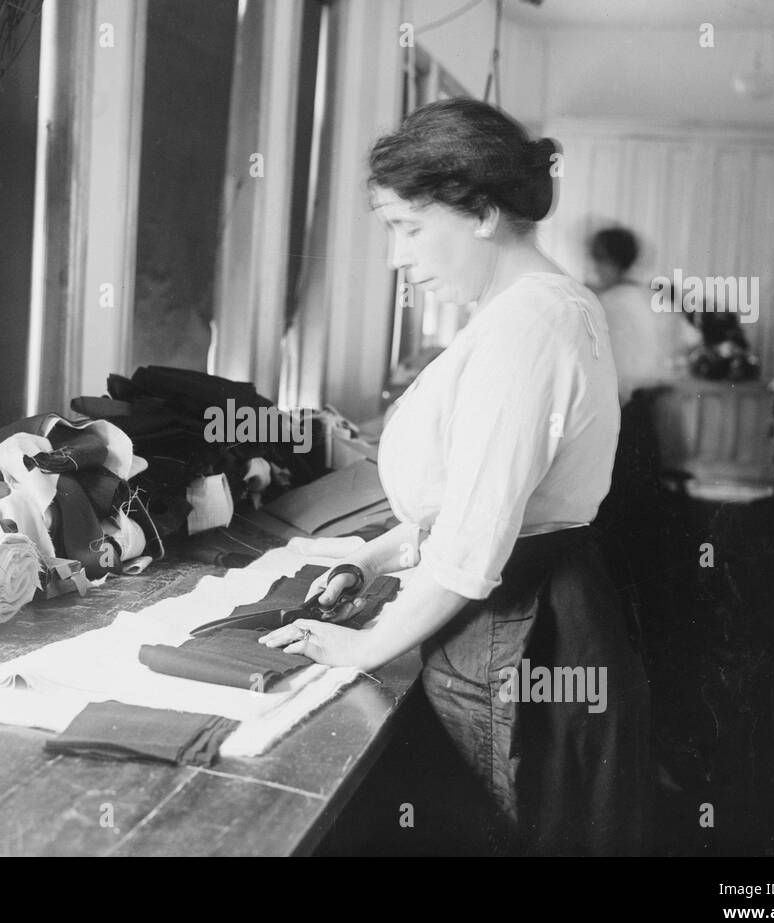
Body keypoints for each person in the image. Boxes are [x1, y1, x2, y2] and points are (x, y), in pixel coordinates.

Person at [260, 98, 650, 856]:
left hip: (521, 622)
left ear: (481, 213)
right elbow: (486, 501)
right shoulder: (531, 310)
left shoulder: (528, 326)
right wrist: (369, 560)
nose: (397, 257)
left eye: (409, 228)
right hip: (529, 606)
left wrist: (360, 648)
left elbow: (473, 546)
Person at [588, 227, 684, 405]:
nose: (595, 269)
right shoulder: (650, 297)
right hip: (661, 399)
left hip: (626, 402)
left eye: (600, 260)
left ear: (614, 263)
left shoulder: (608, 302)